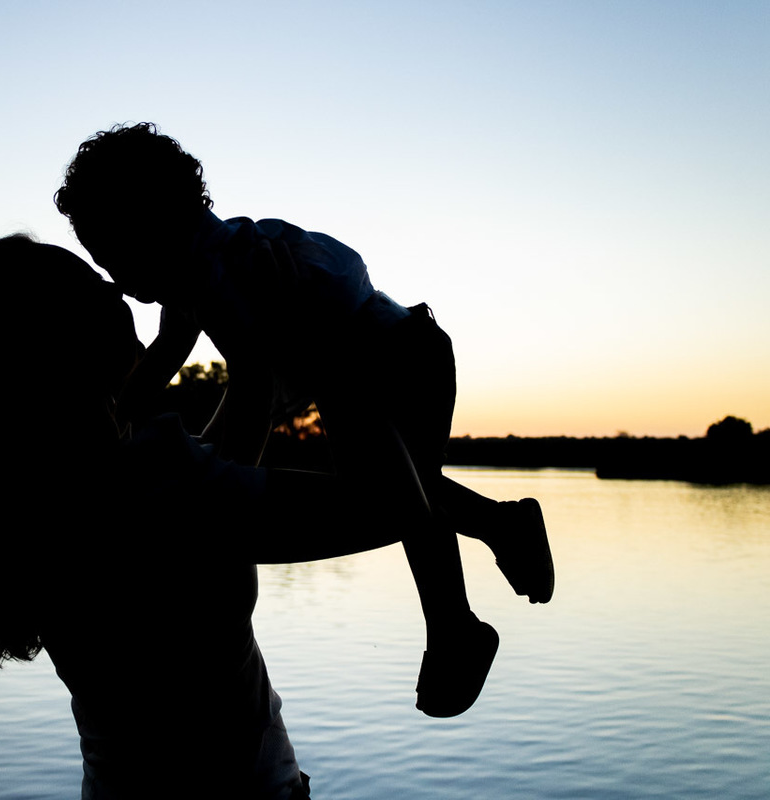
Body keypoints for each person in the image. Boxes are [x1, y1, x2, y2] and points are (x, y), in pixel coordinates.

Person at [0, 235, 482, 799]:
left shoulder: (46, 488)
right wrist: (320, 346)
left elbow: (215, 484)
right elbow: (384, 508)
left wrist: (203, 354)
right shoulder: (138, 488)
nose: (117, 291)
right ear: (52, 343)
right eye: (94, 285)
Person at [53, 123, 554, 717]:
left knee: (399, 497)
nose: (117, 278)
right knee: (386, 488)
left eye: (113, 256)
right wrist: (114, 418)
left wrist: (217, 486)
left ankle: (456, 624)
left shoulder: (219, 268)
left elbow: (255, 382)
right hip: (362, 371)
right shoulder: (190, 275)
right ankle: (501, 526)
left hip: (396, 361)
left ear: (151, 224)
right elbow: (167, 353)